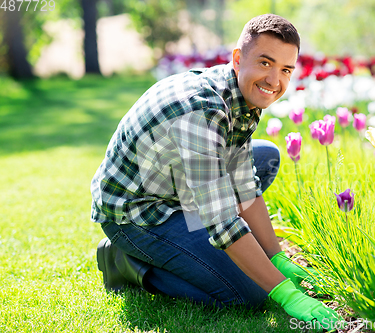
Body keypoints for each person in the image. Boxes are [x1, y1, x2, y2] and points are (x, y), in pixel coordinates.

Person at [91, 13, 344, 330]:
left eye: (285, 70)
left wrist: (276, 257)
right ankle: (127, 262)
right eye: (265, 63)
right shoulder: (203, 110)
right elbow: (223, 221)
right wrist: (286, 292)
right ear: (239, 59)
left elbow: (245, 185)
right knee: (249, 293)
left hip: (174, 189)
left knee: (265, 156)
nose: (274, 80)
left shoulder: (241, 96)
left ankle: (188, 246)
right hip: (135, 213)